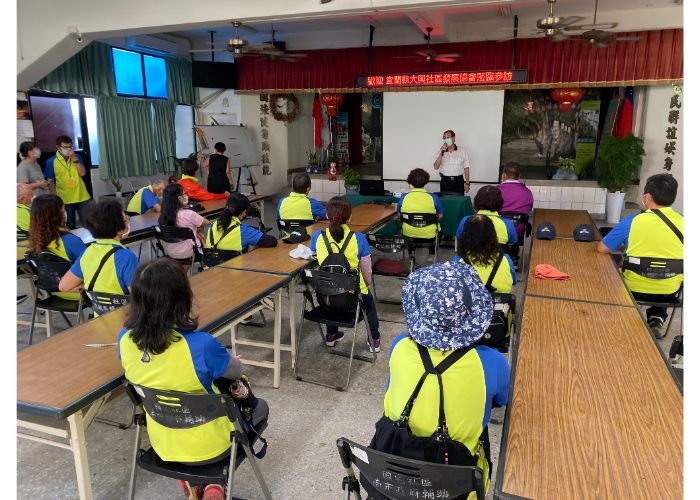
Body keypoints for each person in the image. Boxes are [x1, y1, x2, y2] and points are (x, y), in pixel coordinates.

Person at [118, 258, 258, 500]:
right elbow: (236, 371)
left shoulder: (124, 340)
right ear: (182, 298)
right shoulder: (202, 345)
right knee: (244, 397)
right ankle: (214, 484)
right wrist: (224, 359)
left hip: (165, 445)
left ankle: (196, 482)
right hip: (214, 446)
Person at [377, 261, 509, 498]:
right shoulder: (492, 362)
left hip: (395, 480)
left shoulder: (399, 347)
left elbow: (392, 391)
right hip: (456, 486)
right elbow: (502, 399)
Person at [597, 173, 683, 338]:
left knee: (612, 266)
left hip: (632, 288)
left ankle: (622, 315)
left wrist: (625, 247)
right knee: (664, 270)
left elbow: (602, 248)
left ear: (647, 197)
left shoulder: (632, 221)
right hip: (669, 290)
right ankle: (657, 317)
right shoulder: (684, 223)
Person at [310, 196, 381, 352]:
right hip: (354, 293)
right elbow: (366, 269)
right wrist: (366, 284)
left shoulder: (318, 236)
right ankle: (374, 340)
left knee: (332, 291)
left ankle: (331, 335)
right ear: (350, 217)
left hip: (326, 293)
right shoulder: (359, 238)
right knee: (369, 305)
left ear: (327, 216)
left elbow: (313, 253)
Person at [58, 199, 139, 299]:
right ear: (121, 229)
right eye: (125, 219)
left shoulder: (86, 253)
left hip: (97, 309)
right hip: (123, 309)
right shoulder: (127, 257)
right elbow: (138, 298)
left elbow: (64, 286)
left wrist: (96, 290)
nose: (127, 220)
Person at [29, 194, 87, 301]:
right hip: (78, 292)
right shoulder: (71, 241)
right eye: (63, 208)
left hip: (53, 292)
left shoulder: (35, 240)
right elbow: (90, 268)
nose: (65, 211)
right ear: (57, 214)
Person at [455, 215, 517, 294]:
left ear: (464, 236)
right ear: (493, 235)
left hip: (468, 301)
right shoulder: (505, 259)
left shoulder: (457, 261)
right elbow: (514, 281)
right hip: (499, 301)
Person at [205, 192, 277, 254]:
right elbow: (272, 241)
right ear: (244, 212)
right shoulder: (243, 230)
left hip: (213, 264)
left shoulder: (213, 225)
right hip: (236, 265)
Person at [44, 135, 91, 229]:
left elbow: (82, 173)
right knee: (69, 226)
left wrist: (74, 159)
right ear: (58, 147)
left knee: (88, 224)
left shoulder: (77, 157)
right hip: (64, 199)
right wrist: (55, 200)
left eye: (70, 147)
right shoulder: (51, 161)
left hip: (82, 196)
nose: (68, 149)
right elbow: (50, 182)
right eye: (65, 147)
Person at [397, 168, 443, 257]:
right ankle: (431, 254)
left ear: (410, 181)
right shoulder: (434, 197)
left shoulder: (404, 197)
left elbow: (399, 215)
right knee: (440, 231)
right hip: (430, 235)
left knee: (406, 229)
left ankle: (411, 255)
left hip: (408, 234)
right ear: (426, 181)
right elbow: (440, 216)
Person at [159, 183, 210, 260]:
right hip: (190, 252)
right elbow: (207, 222)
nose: (186, 195)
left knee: (196, 229)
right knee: (201, 229)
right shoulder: (188, 214)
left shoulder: (163, 217)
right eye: (184, 193)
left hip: (171, 253)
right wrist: (197, 230)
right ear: (179, 198)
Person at [498, 162, 534, 239]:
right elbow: (528, 210)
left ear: (504, 175)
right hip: (518, 231)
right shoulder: (527, 192)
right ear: (519, 176)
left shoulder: (495, 190)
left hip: (497, 230)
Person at [433, 129, 470, 194]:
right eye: (444, 138)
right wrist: (441, 152)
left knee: (459, 199)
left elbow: (466, 167)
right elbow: (436, 167)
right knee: (445, 200)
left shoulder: (462, 151)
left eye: (448, 137)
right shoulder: (440, 151)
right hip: (445, 181)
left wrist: (467, 183)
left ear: (453, 138)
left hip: (458, 181)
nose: (446, 140)